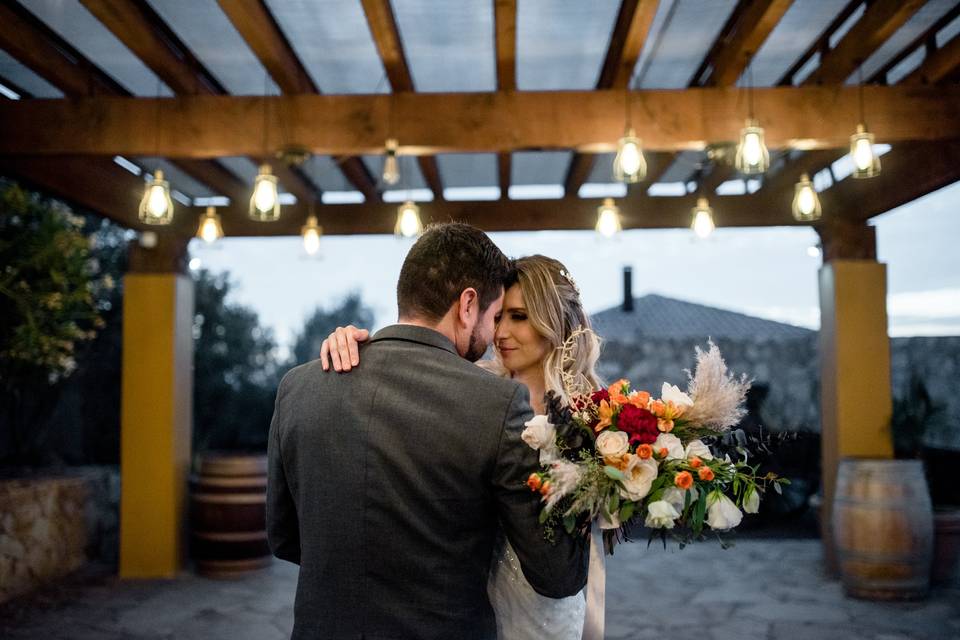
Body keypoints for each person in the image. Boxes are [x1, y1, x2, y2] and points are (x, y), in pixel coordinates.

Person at [267, 225, 589, 640]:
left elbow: (284, 539)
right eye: (494, 317)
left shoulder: (299, 386)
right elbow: (556, 575)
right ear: (467, 304)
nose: (496, 336)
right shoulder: (495, 403)